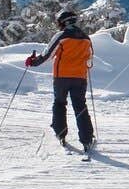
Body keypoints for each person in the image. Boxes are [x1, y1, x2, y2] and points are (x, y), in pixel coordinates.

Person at [26, 10, 96, 150]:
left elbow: (47, 54)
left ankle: (60, 133)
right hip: (80, 78)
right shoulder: (86, 38)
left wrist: (32, 62)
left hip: (61, 77)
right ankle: (87, 139)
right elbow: (90, 61)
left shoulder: (62, 36)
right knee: (80, 106)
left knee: (59, 103)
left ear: (63, 22)